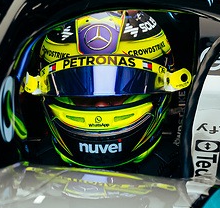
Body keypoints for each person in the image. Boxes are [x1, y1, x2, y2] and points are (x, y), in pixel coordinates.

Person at [16, 10, 190, 175]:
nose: (100, 105)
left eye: (120, 92)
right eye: (80, 92)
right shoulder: (28, 167)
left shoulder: (184, 165)